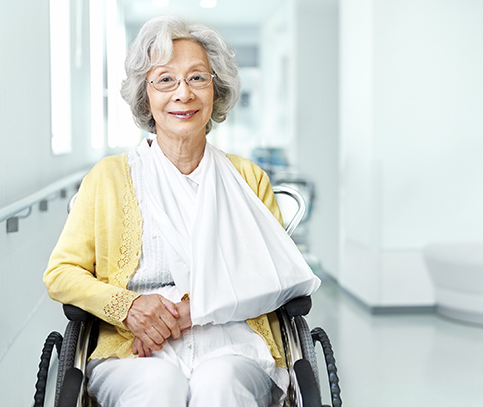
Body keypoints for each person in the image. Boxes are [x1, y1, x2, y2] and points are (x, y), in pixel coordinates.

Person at [43, 15, 319, 407]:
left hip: (235, 341)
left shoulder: (247, 178)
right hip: (133, 346)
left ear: (215, 89)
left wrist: (196, 310)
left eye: (197, 78)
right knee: (157, 386)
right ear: (145, 96)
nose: (183, 94)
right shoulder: (108, 179)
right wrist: (129, 307)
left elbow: (275, 273)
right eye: (165, 80)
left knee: (219, 384)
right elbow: (61, 274)